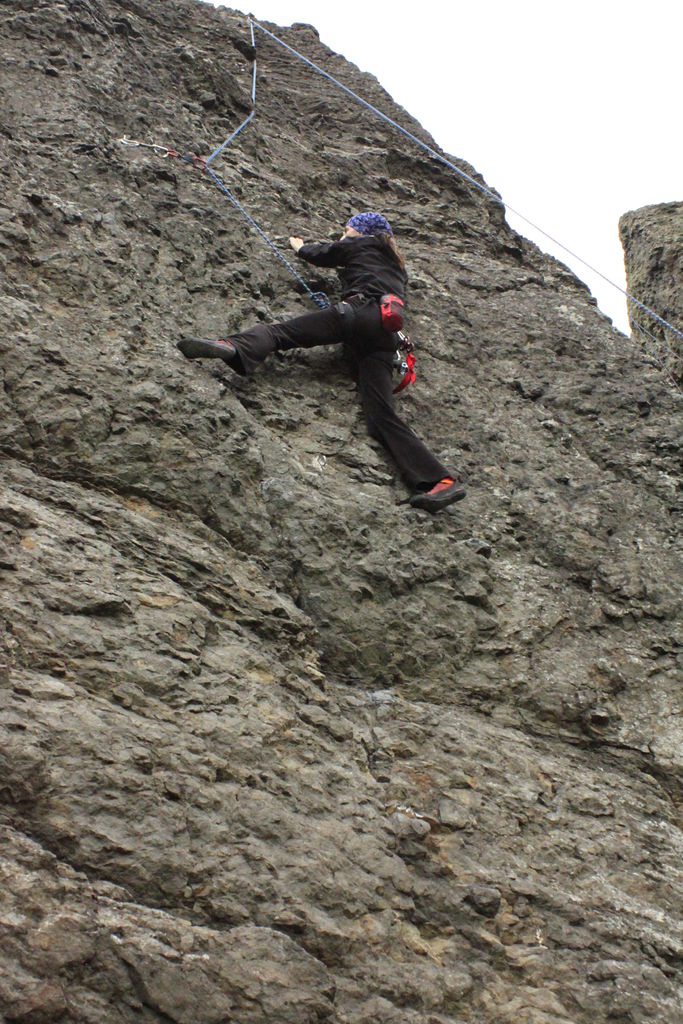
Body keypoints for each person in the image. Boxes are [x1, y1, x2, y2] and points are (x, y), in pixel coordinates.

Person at [177, 211, 466, 512]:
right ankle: (439, 481)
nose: (343, 235)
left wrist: (300, 247)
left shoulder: (362, 244)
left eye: (346, 229)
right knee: (381, 415)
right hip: (385, 334)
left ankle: (233, 347)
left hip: (357, 313)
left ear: (361, 231)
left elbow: (325, 253)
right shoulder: (397, 267)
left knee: (280, 334)